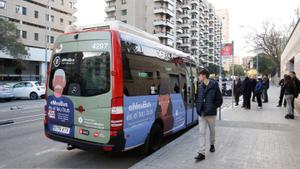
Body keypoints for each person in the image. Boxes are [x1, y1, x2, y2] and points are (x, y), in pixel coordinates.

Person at [195, 69, 223, 162]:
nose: (198, 77)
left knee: (212, 131)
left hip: (211, 114)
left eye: (199, 75)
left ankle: (212, 144)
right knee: (201, 133)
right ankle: (201, 153)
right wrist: (198, 108)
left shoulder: (214, 86)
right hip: (202, 114)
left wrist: (213, 107)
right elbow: (197, 98)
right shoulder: (200, 87)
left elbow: (219, 100)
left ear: (203, 76)